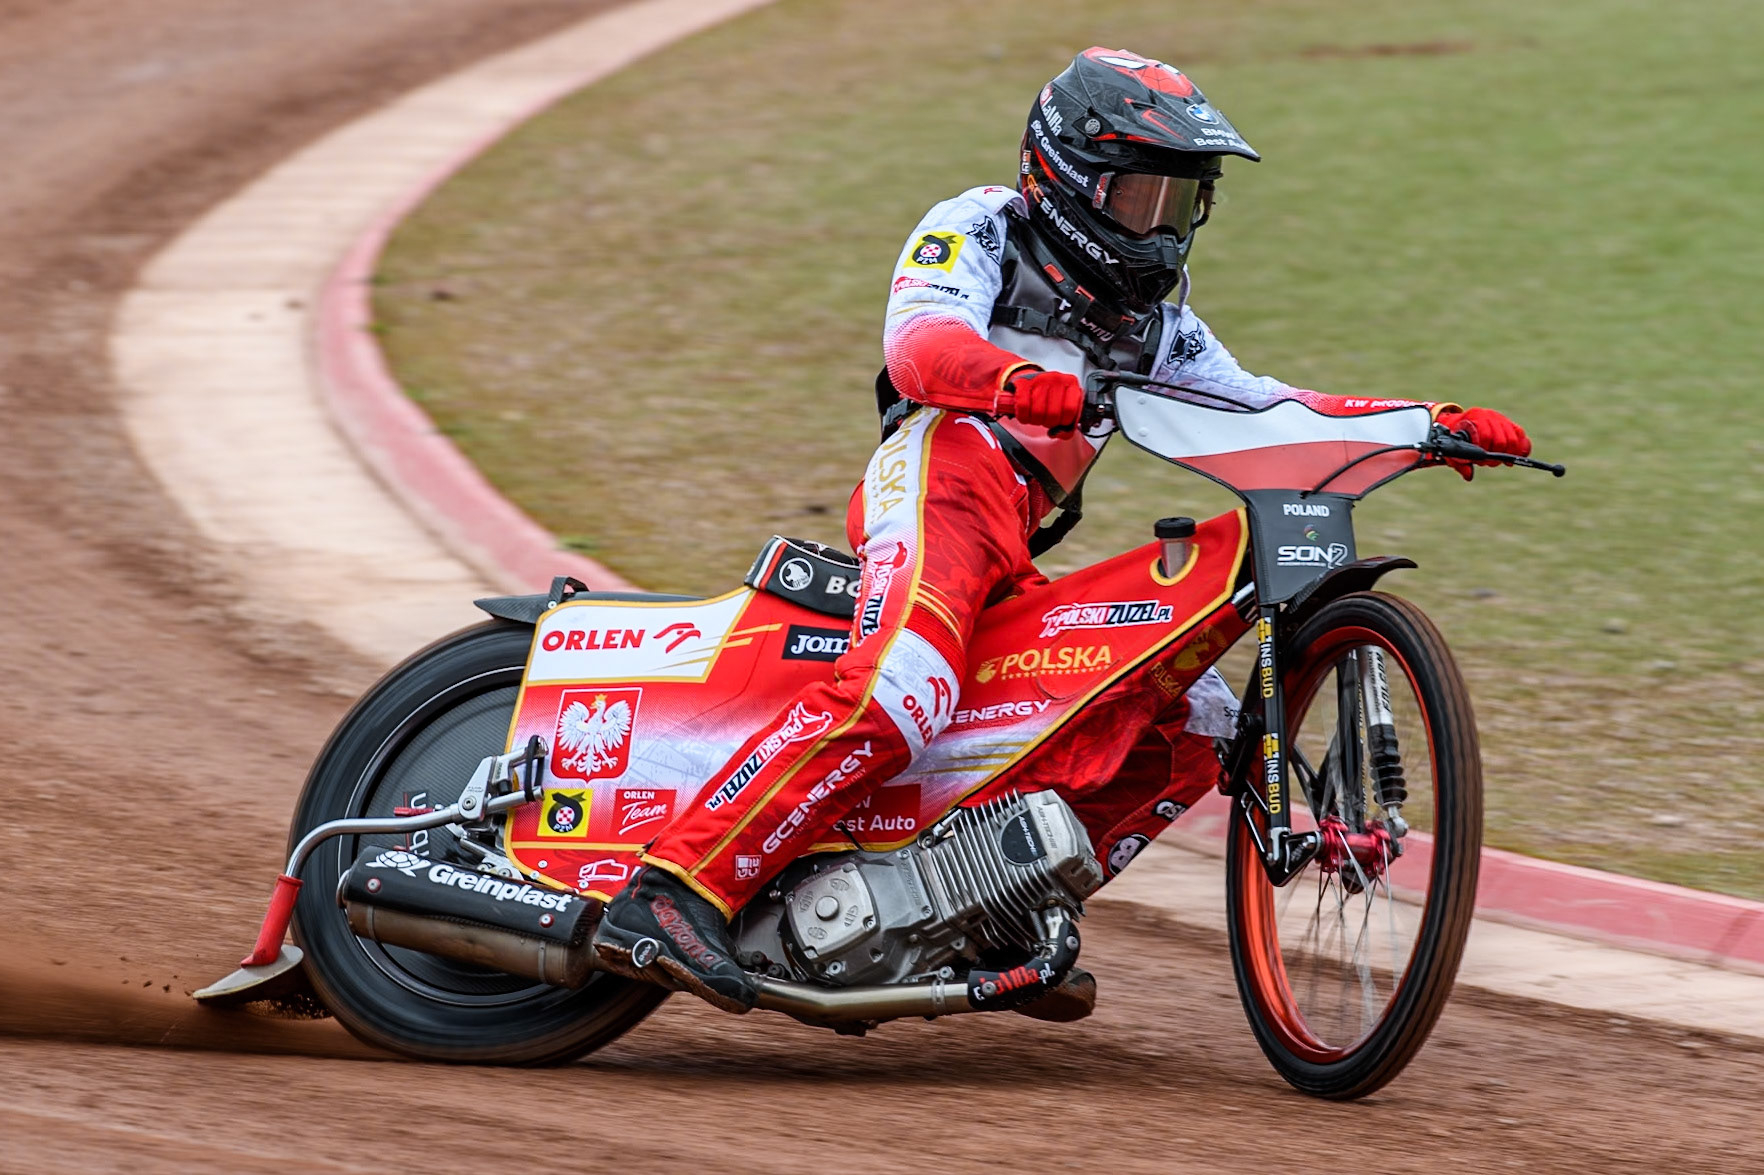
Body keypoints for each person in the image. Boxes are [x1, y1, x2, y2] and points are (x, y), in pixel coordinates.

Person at [592, 47, 1530, 1014]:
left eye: (1180, 202)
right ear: (1071, 178)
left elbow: (1266, 414)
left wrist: (1424, 424)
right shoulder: (980, 225)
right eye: (1142, 198)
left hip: (1014, 540)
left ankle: (988, 909)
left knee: (1195, 715)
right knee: (905, 690)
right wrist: (1012, 383)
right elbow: (918, 347)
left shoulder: (1159, 327)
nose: (1161, 228)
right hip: (943, 479)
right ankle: (672, 889)